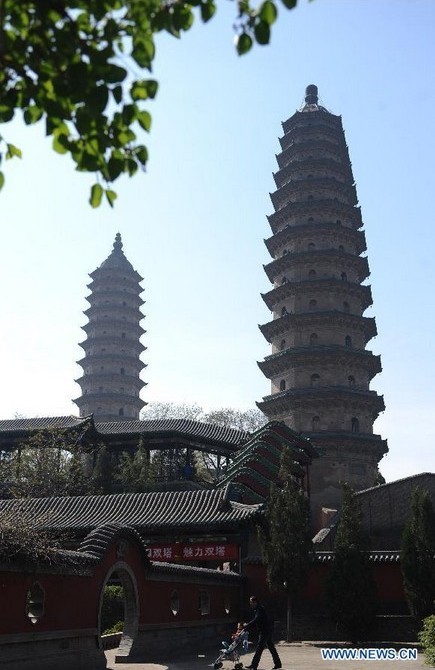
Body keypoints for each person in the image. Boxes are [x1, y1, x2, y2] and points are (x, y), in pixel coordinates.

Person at [243, 596, 282, 670]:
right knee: (271, 648)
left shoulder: (260, 609)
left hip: (265, 631)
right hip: (267, 630)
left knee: (259, 648)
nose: (250, 604)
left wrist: (247, 625)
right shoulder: (259, 609)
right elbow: (257, 620)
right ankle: (278, 664)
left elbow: (257, 619)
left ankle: (254, 665)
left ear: (255, 602)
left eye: (251, 602)